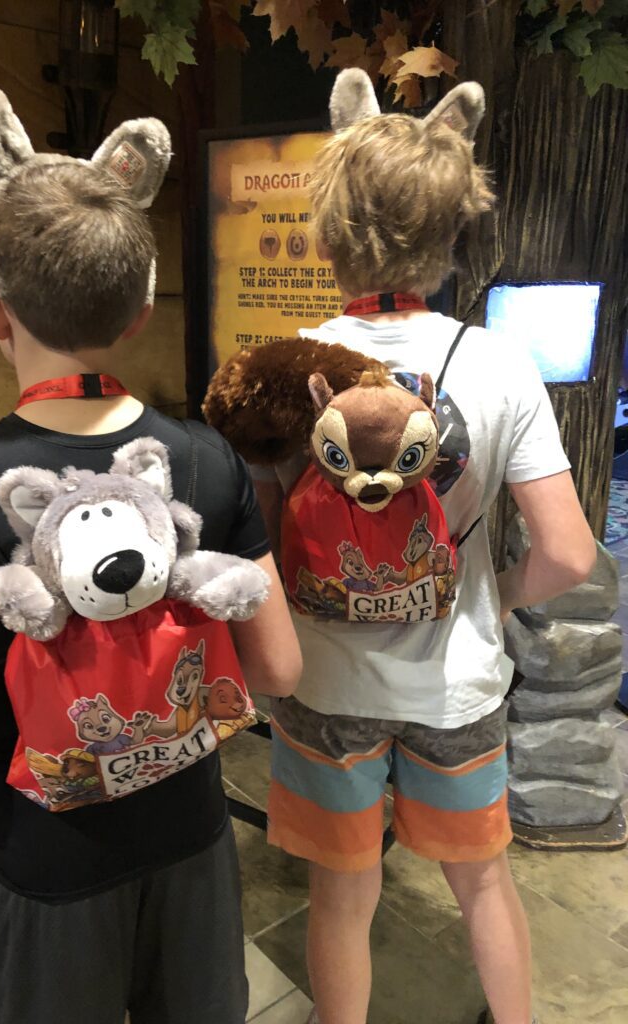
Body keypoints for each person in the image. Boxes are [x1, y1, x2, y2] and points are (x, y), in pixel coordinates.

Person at [0, 82, 301, 1024]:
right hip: (192, 844)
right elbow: (279, 668)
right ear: (138, 313)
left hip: (41, 864)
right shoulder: (206, 458)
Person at [253, 71, 596, 1024]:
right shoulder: (499, 364)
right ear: (450, 234)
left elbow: (265, 544)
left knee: (342, 895)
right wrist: (493, 593)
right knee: (484, 882)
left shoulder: (283, 366)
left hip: (325, 685)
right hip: (458, 686)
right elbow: (571, 555)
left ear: (328, 234)